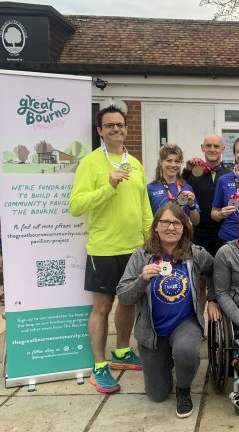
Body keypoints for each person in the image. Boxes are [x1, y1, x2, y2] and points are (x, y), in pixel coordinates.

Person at [70, 105, 152, 393]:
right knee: (102, 307)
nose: (116, 129)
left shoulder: (136, 163)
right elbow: (76, 206)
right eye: (110, 125)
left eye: (120, 124)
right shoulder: (90, 163)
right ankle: (99, 366)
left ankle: (121, 353)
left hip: (134, 248)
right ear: (100, 131)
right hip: (103, 249)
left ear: (126, 128)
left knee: (128, 302)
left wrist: (150, 238)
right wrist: (108, 186)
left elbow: (144, 207)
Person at [116, 203, 215, 418]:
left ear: (184, 228)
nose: (171, 227)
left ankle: (183, 389)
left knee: (186, 351)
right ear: (156, 226)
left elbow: (216, 271)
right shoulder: (141, 256)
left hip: (185, 322)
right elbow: (123, 295)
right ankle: (166, 361)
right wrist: (142, 279)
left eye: (176, 223)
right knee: (157, 394)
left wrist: (213, 299)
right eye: (165, 222)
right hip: (152, 331)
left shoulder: (194, 254)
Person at [181, 134, 231, 257]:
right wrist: (187, 171)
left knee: (221, 273)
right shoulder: (193, 172)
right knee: (200, 273)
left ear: (223, 149)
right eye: (208, 146)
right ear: (202, 148)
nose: (212, 149)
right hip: (199, 233)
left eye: (216, 146)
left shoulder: (229, 175)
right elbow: (178, 189)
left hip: (223, 232)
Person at [147, 143, 200, 225]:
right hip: (159, 236)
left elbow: (196, 222)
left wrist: (191, 205)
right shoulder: (150, 188)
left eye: (177, 161)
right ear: (161, 162)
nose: (173, 165)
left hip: (183, 236)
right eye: (169, 160)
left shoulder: (187, 188)